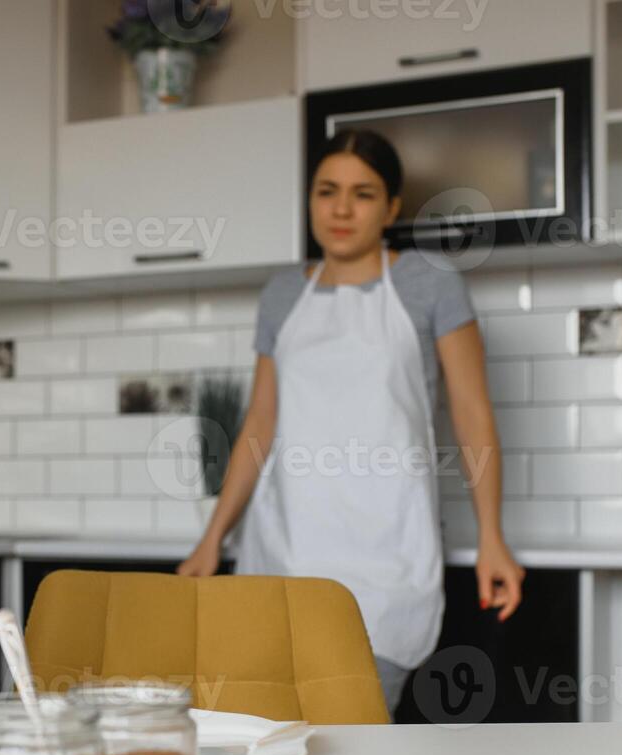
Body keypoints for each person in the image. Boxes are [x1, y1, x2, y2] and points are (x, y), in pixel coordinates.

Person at [177, 130, 525, 713]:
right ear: (310, 200)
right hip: (281, 558)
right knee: (264, 748)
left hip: (385, 562)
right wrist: (212, 540)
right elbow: (260, 422)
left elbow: (472, 414)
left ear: (391, 207)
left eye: (362, 194)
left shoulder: (429, 283)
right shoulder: (284, 292)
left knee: (354, 750)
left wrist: (493, 536)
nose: (341, 209)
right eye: (326, 191)